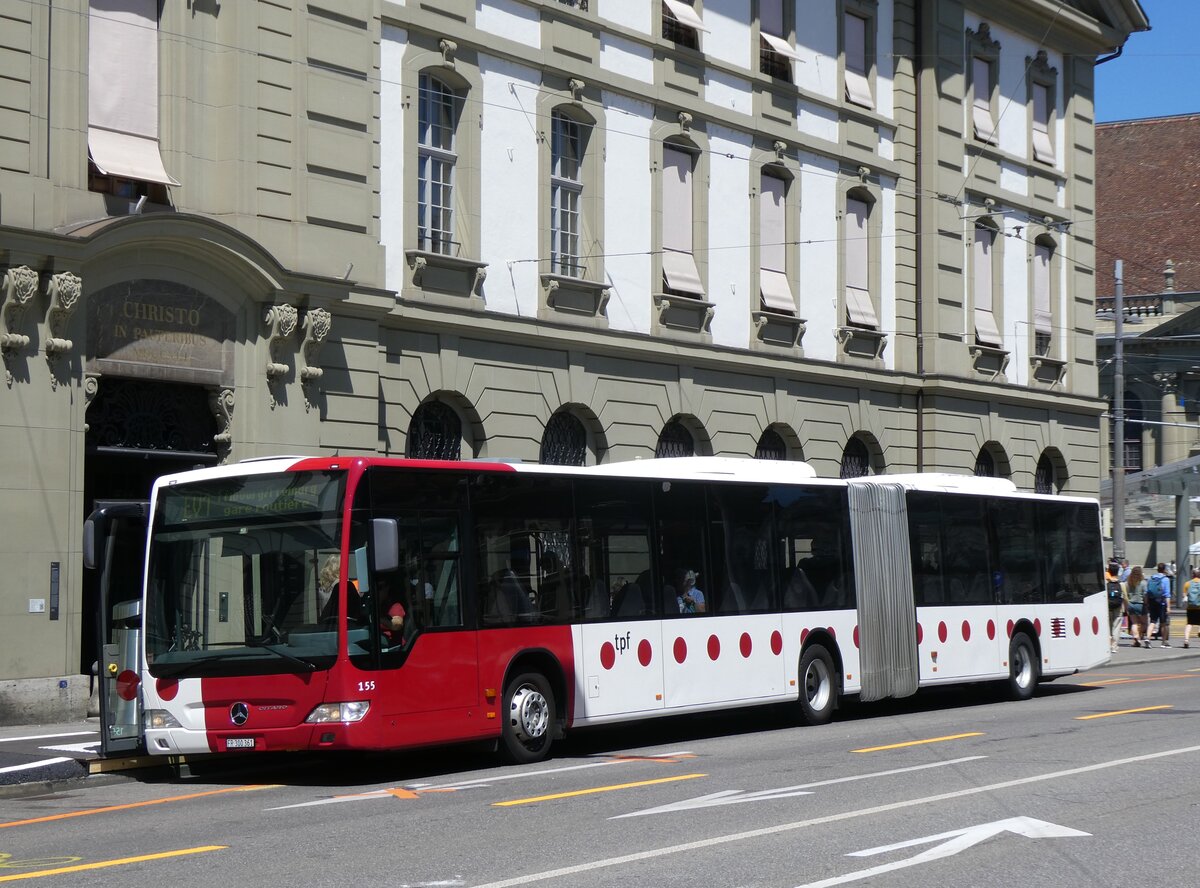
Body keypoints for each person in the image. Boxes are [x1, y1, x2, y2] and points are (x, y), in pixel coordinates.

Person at [1147, 562, 1172, 647]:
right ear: (1164, 569)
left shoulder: (1151, 578)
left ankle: (1147, 638)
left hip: (1152, 601)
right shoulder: (1165, 579)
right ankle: (1164, 642)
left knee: (1152, 621)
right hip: (1161, 603)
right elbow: (1167, 594)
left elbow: (1147, 592)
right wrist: (1168, 607)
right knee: (1163, 623)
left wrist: (1147, 603)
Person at [1125, 565, 1149, 648]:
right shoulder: (1143, 582)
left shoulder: (1128, 582)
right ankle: (1138, 635)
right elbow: (1145, 595)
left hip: (1131, 604)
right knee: (1144, 623)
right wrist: (1146, 603)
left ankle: (1136, 638)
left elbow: (1126, 593)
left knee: (1134, 623)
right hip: (1140, 604)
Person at [1104, 561, 1125, 654]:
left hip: (1107, 606)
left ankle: (1108, 644)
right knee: (1116, 627)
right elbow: (1125, 597)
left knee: (1108, 626)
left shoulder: (1105, 584)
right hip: (1118, 607)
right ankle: (1114, 646)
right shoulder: (1121, 584)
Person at [1184, 568, 1200, 649]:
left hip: (1190, 607)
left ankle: (1186, 640)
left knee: (1189, 624)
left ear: (1192, 575)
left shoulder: (1187, 584)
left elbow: (1184, 596)